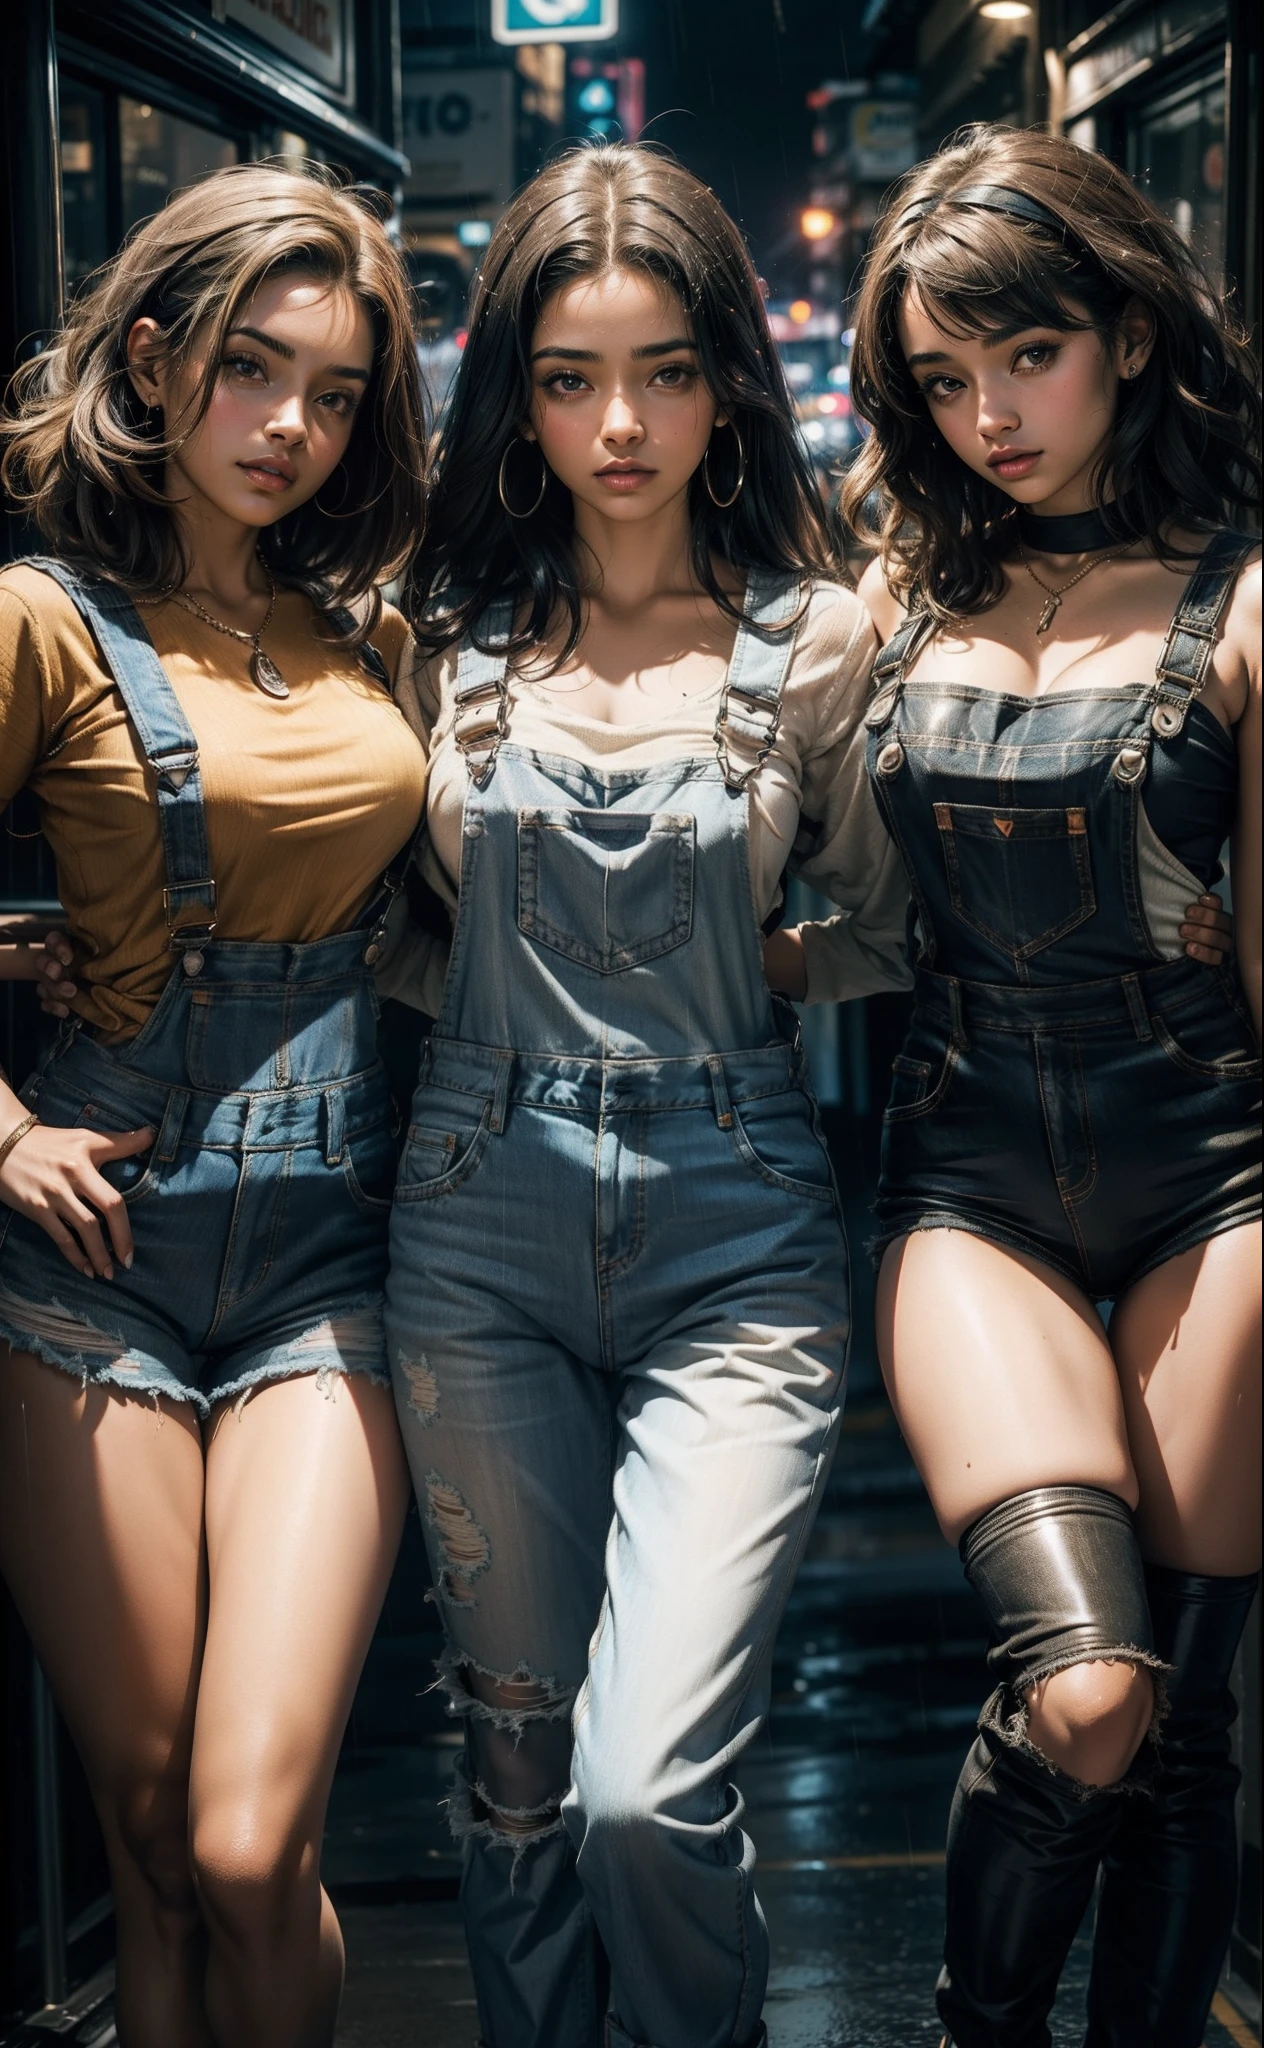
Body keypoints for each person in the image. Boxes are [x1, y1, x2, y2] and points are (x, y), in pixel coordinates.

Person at [375, 140, 916, 2048]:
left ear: (726, 387)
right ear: (515, 398)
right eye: (573, 376)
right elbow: (378, 922)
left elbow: (880, 920)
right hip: (474, 1215)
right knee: (516, 1786)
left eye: (670, 371)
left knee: (644, 1788)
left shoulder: (818, 641)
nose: (624, 423)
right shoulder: (430, 634)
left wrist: (768, 955)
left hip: (737, 1220)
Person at [841, 124, 1261, 2046]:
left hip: (1217, 1170)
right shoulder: (894, 584)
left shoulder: (1247, 596)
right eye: (943, 376)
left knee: (1185, 1726)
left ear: (1133, 336)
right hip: (973, 1167)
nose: (990, 414)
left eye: (1028, 355)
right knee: (1089, 1689)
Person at [0, 164, 428, 2048]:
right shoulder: (40, 618)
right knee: (155, 1838)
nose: (291, 430)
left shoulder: (367, 636)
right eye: (254, 370)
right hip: (91, 1269)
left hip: (329, 1260)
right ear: (155, 359)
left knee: (257, 1842)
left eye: (335, 394)